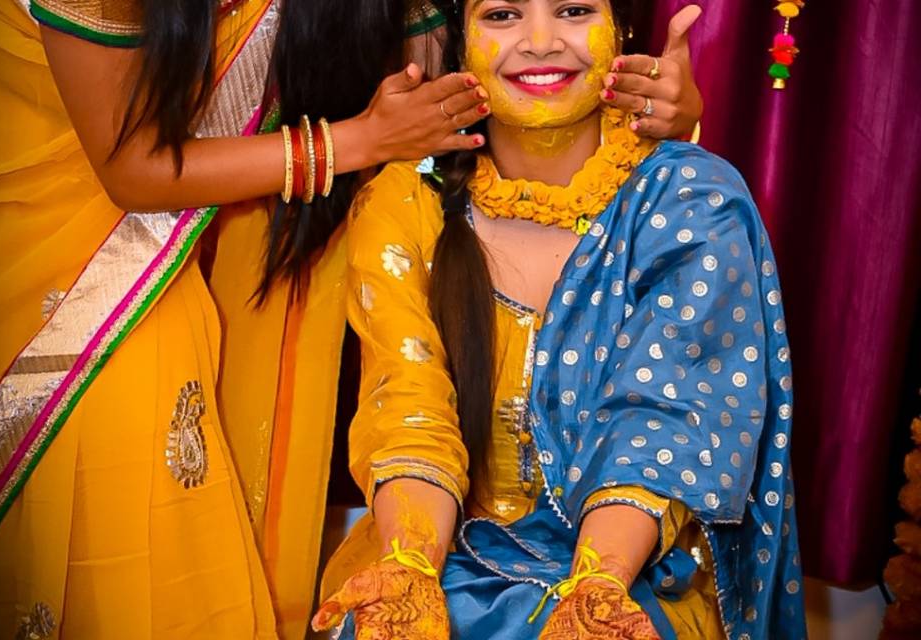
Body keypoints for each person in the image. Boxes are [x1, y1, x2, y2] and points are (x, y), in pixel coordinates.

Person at [0, 1, 703, 638]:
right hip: (66, 241)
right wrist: (361, 143)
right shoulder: (397, 216)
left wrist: (658, 113)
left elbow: (463, 72)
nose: (540, 34)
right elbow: (130, 169)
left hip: (277, 224)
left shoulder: (683, 208)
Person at [312, 1, 806, 639]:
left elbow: (660, 427)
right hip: (440, 549)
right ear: (459, 43)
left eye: (573, 10)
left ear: (622, 33)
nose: (540, 41)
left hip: (637, 566)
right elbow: (407, 407)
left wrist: (598, 586)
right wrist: (409, 561)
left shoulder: (690, 199)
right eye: (503, 15)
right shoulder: (405, 204)